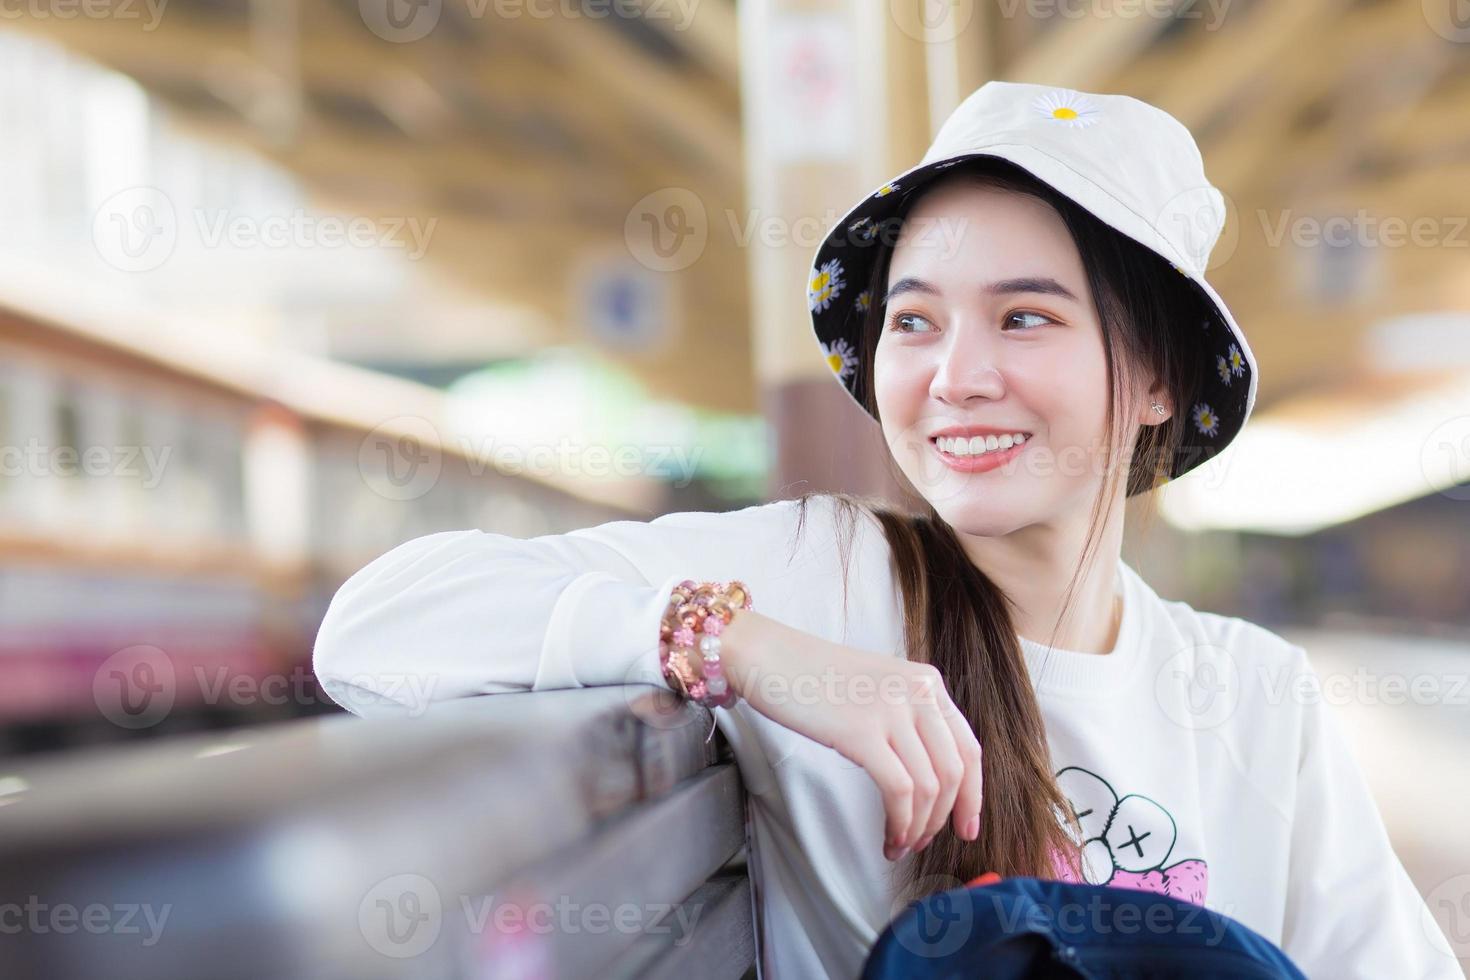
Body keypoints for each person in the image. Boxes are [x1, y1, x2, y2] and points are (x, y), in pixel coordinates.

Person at [312, 81, 1463, 980]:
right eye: (914, 320)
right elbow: (375, 630)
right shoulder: (823, 573)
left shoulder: (1256, 696)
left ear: (1157, 373)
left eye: (1024, 316)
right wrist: (745, 646)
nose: (956, 376)